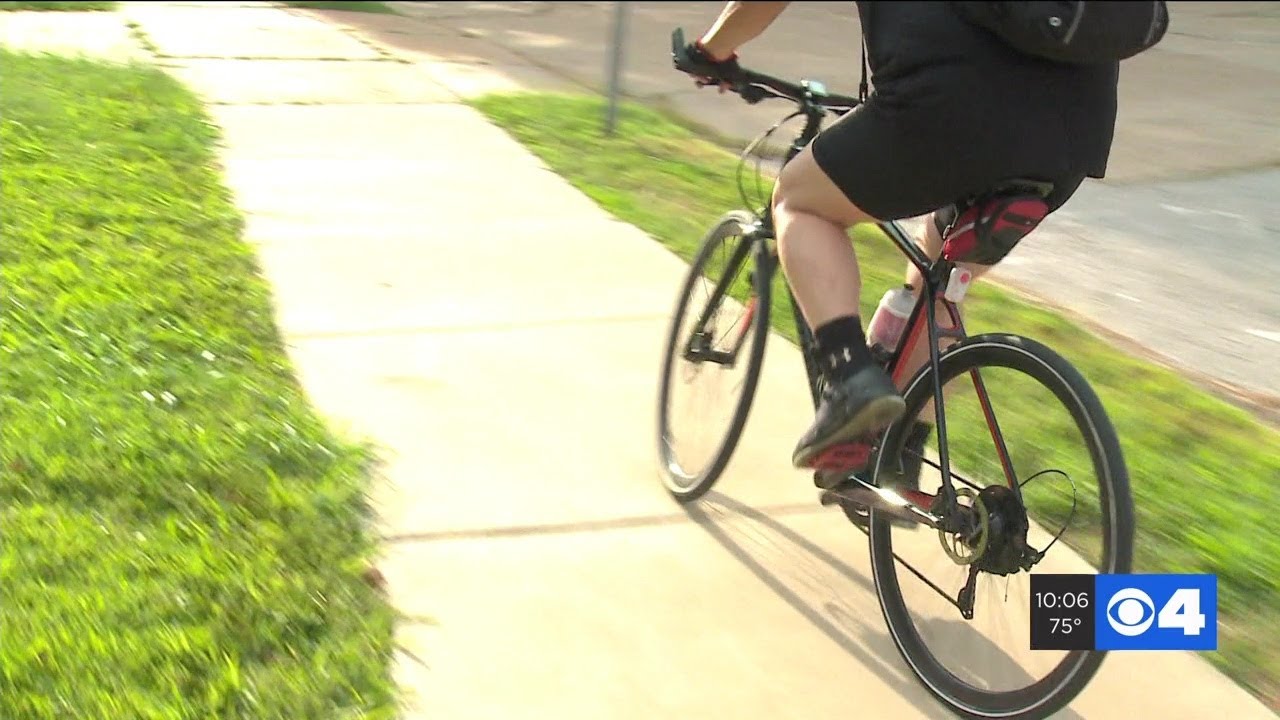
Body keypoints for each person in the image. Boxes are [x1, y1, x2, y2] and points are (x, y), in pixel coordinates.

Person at [677, 1, 1119, 480]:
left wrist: (712, 51)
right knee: (937, 274)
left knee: (799, 200)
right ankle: (899, 449)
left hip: (948, 105)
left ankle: (848, 377)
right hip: (1073, 136)